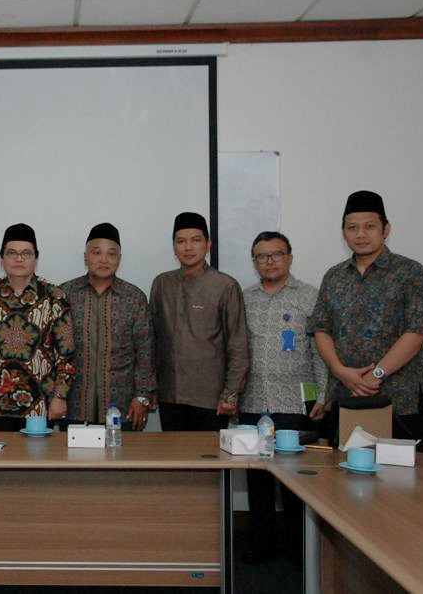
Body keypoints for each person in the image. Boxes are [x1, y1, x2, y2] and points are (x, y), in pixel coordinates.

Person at [308, 190, 423, 450]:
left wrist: (376, 374)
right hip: (345, 397)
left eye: (369, 227)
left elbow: (418, 330)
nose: (360, 234)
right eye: (352, 228)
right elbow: (321, 329)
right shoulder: (334, 276)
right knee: (340, 482)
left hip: (399, 400)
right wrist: (340, 371)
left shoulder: (410, 272)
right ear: (343, 232)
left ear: (386, 229)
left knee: (400, 485)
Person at [239, 231, 328, 563]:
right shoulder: (244, 298)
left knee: (295, 484)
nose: (269, 261)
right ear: (254, 262)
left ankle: (298, 551)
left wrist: (324, 395)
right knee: (257, 481)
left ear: (290, 257)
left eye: (276, 254)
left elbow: (322, 351)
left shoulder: (310, 296)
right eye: (261, 256)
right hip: (252, 402)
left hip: (296, 402)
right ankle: (261, 547)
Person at [0, 223, 75, 431]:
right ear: (2, 259)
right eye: (12, 253)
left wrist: (60, 396)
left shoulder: (55, 296)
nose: (19, 259)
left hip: (41, 405)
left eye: (26, 253)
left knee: (38, 462)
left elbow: (66, 355)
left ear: (36, 258)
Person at [150, 212, 249, 431]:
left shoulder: (225, 286)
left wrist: (230, 394)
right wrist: (151, 389)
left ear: (208, 245)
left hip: (211, 399)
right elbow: (153, 340)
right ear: (174, 246)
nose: (188, 247)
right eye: (181, 241)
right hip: (170, 395)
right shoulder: (162, 284)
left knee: (208, 462)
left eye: (196, 240)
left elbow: (238, 344)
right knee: (175, 463)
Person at [60, 223, 155, 429]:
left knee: (121, 460)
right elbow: (53, 351)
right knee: (74, 461)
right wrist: (56, 396)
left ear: (119, 258)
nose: (104, 260)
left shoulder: (134, 297)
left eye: (111, 254)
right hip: (73, 406)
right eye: (97, 253)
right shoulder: (65, 294)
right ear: (86, 257)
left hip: (122, 407)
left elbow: (145, 352)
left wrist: (142, 397)